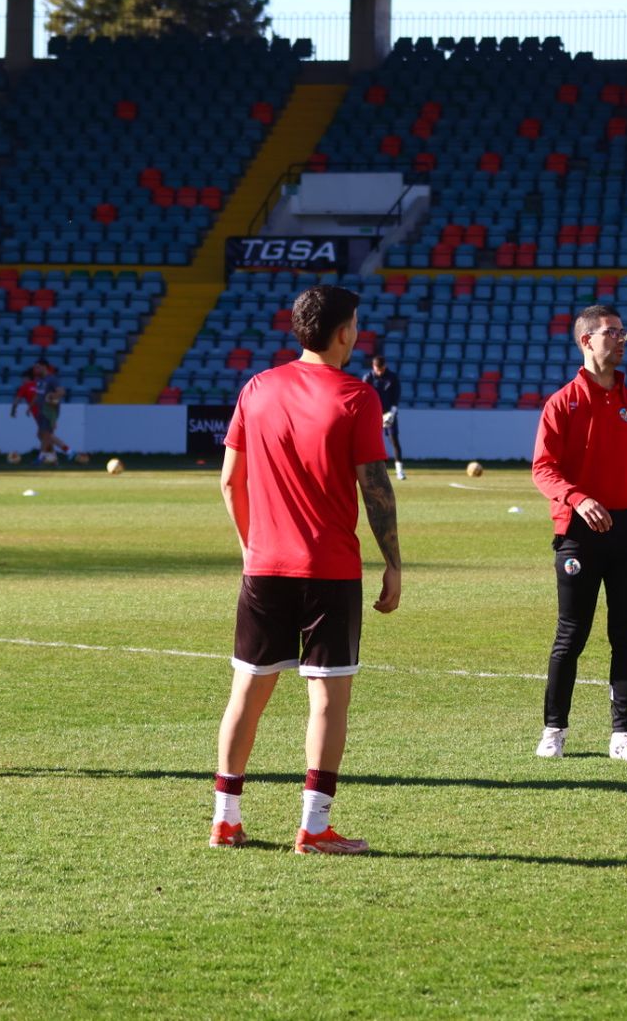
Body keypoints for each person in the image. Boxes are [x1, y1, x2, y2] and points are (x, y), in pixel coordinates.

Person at [212, 284, 401, 855]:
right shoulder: (356, 396)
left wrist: (252, 546)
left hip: (264, 568)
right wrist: (393, 562)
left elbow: (229, 480)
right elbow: (375, 487)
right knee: (327, 698)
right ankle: (314, 827)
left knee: (247, 691)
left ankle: (226, 818)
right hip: (330, 570)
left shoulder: (257, 387)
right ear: (345, 331)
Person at [531, 304, 627, 763]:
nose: (620, 339)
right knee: (571, 634)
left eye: (622, 332)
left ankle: (622, 735)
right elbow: (543, 469)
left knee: (626, 635)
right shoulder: (562, 403)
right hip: (579, 531)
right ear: (586, 340)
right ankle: (554, 729)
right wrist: (577, 497)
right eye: (611, 332)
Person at [361, 354, 405, 480]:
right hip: (373, 414)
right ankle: (375, 471)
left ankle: (399, 471)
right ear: (373, 366)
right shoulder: (368, 378)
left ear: (385, 366)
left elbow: (396, 396)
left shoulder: (392, 378)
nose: (379, 372)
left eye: (381, 369)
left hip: (389, 413)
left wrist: (392, 412)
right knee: (373, 443)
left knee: (393, 440)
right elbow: (364, 397)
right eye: (377, 369)